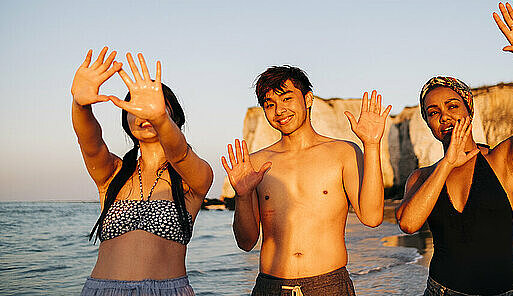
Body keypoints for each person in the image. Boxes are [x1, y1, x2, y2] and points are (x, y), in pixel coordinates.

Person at [396, 2, 513, 296]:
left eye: (452, 106)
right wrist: (447, 163)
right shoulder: (420, 178)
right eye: (433, 112)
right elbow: (408, 223)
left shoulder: (502, 161)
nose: (444, 116)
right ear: (429, 124)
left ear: (469, 111)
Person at [221, 66, 391, 296]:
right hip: (270, 286)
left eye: (287, 98)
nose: (279, 110)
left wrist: (371, 145)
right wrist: (242, 196)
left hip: (328, 285)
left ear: (308, 99)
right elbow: (246, 242)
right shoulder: (256, 163)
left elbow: (372, 217)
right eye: (270, 104)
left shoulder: (343, 152)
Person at [72, 48, 213, 295]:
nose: (142, 113)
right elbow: (89, 142)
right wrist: (79, 105)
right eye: (134, 107)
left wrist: (160, 119)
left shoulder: (192, 177)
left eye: (152, 107)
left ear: (174, 116)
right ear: (125, 120)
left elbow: (179, 153)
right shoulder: (113, 174)